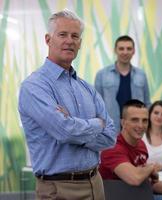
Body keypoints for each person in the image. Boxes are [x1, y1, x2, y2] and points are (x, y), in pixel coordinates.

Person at [18, 10, 116, 200]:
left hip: (95, 183)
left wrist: (73, 125)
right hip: (58, 188)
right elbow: (65, 131)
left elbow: (110, 136)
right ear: (48, 39)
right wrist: (96, 124)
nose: (69, 41)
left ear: (80, 43)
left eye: (75, 36)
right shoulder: (34, 86)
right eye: (62, 34)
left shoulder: (87, 88)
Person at [99, 99, 162, 200]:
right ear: (123, 123)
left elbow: (150, 183)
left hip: (140, 195)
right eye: (135, 120)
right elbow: (135, 178)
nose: (141, 126)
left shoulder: (141, 145)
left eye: (144, 120)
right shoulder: (112, 148)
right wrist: (151, 168)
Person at [95, 35, 151, 132]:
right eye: (121, 48)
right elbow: (96, 104)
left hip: (136, 129)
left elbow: (147, 103)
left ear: (133, 51)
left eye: (129, 49)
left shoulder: (141, 75)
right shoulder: (102, 74)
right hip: (110, 129)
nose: (125, 52)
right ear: (115, 50)